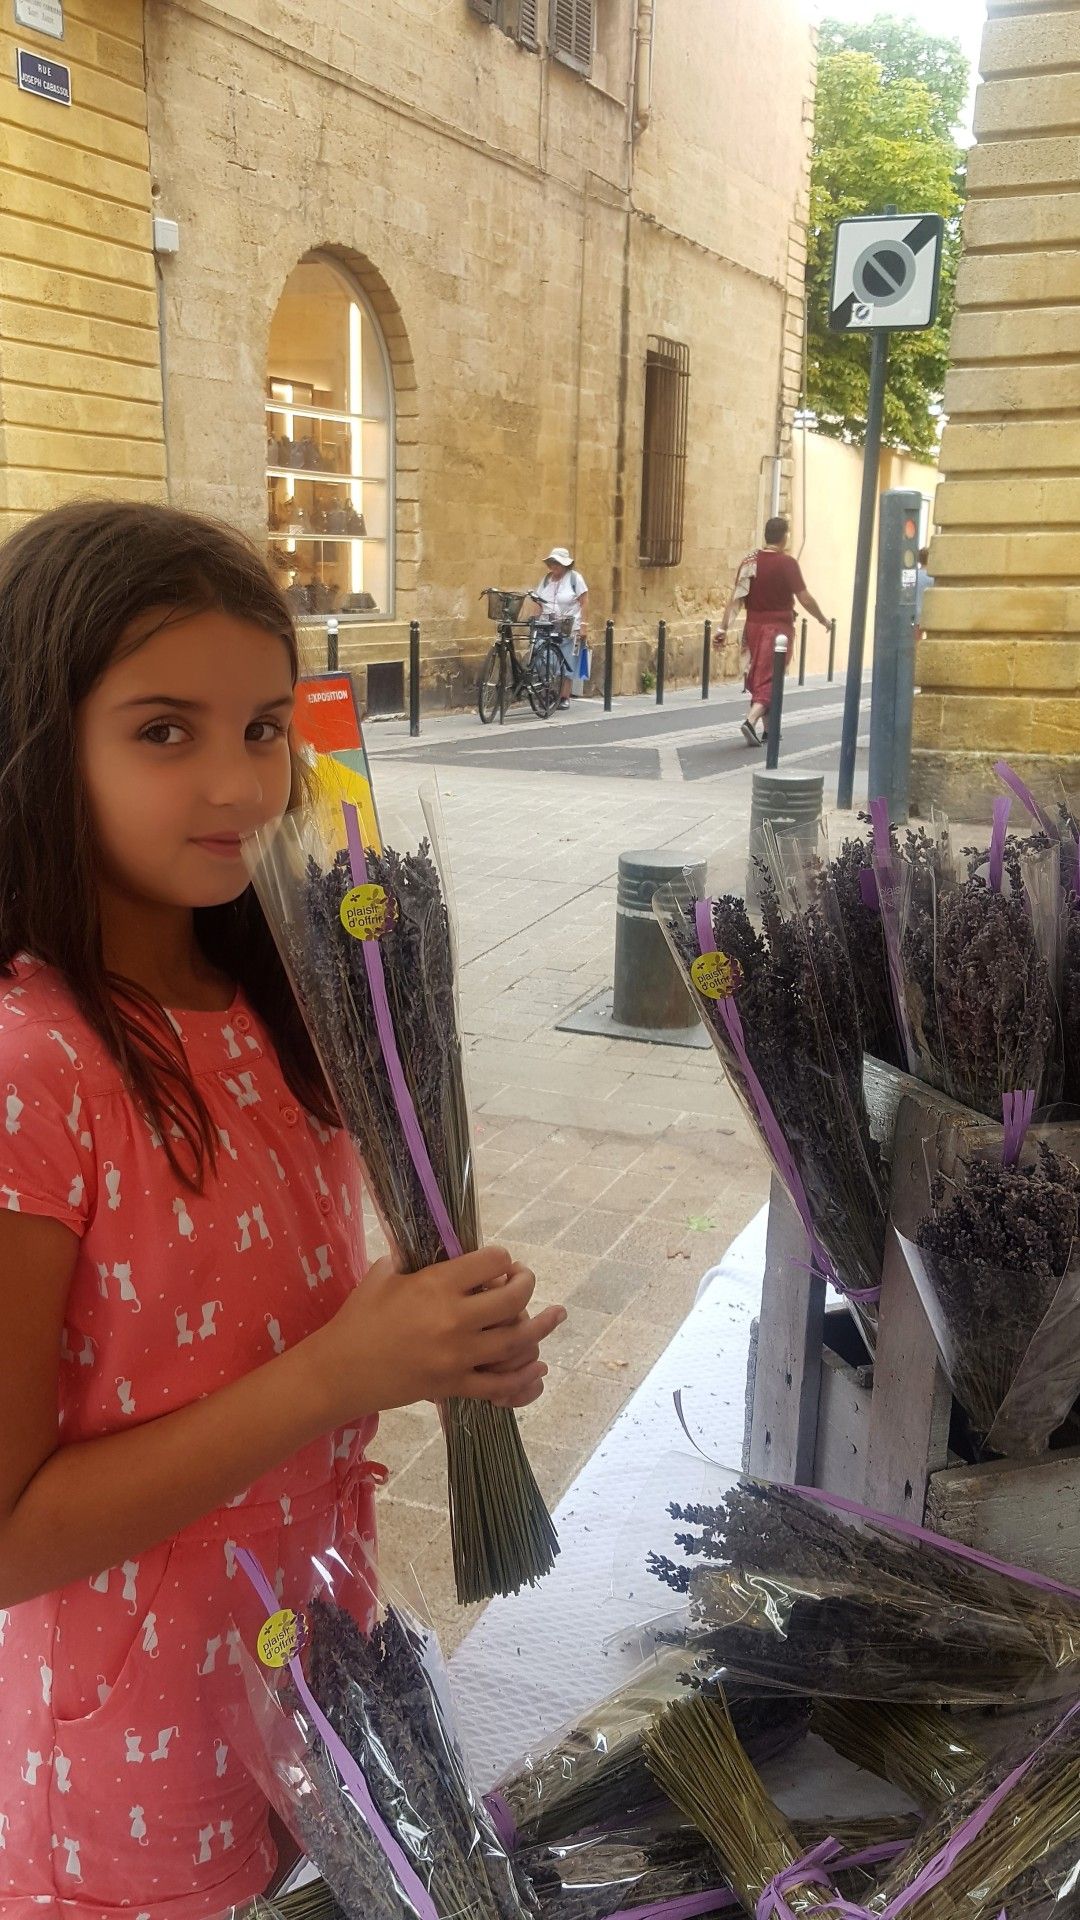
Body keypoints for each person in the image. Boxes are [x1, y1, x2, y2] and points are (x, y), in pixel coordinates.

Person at [0, 501, 565, 1916]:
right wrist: (339, 1373)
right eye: (163, 729)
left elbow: (283, 1323)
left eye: (263, 728)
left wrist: (434, 1342)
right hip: (135, 1768)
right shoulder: (33, 1064)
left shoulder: (276, 1001)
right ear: (34, 738)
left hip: (318, 1669)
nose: (240, 784)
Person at [717, 516, 830, 747]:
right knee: (771, 678)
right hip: (777, 628)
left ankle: (770, 730)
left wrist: (722, 627)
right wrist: (822, 619)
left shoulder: (750, 562)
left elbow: (736, 599)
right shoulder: (787, 564)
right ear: (785, 536)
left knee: (759, 675)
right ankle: (750, 721)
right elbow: (804, 598)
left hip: (753, 628)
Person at [528, 546, 589, 711]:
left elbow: (584, 602)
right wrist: (533, 620)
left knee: (567, 661)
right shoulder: (546, 580)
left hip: (568, 627)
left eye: (557, 564)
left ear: (565, 565)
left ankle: (564, 697)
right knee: (543, 659)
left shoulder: (575, 579)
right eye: (552, 563)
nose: (554, 567)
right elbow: (538, 601)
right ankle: (548, 693)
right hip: (547, 625)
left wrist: (583, 625)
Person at [914, 545, 935, 642]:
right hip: (929, 615)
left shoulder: (914, 575)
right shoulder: (933, 578)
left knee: (916, 642)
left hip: (915, 614)